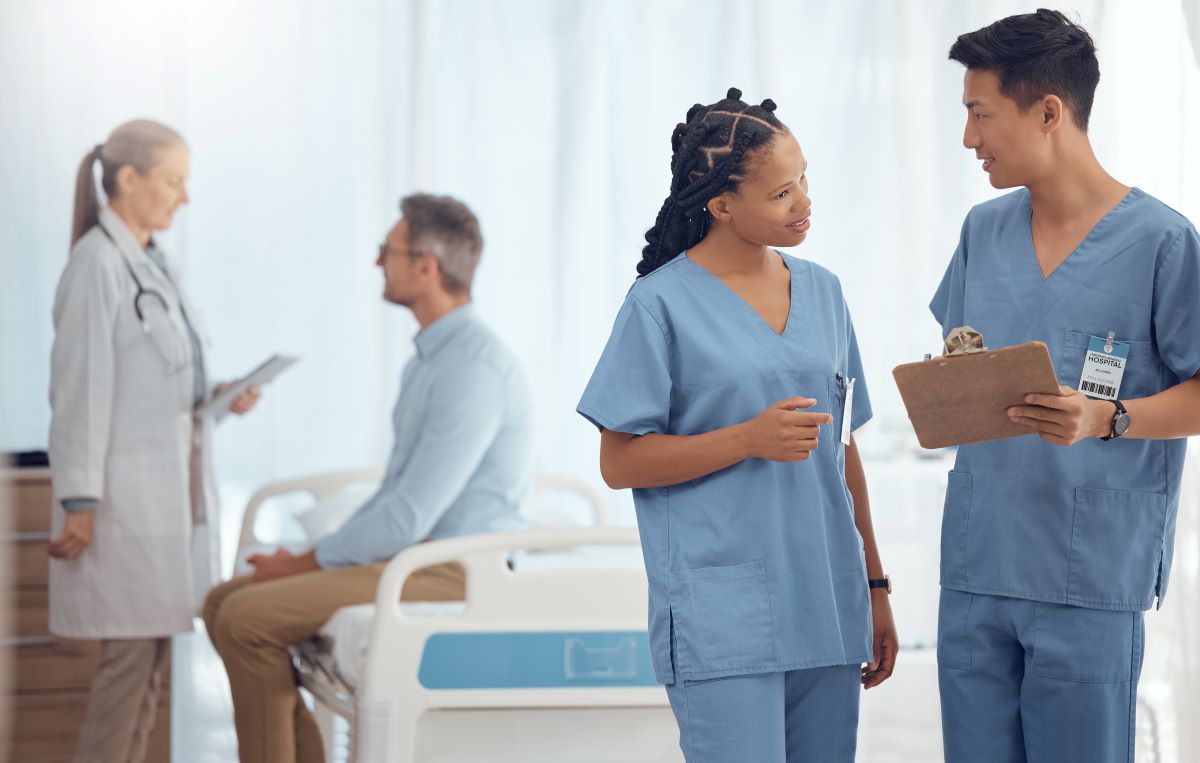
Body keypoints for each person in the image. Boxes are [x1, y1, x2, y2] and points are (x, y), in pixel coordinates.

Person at [577, 88, 898, 762]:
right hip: (723, 617)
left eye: (803, 179)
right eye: (782, 193)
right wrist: (745, 440)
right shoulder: (658, 305)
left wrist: (874, 586)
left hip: (827, 600)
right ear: (722, 205)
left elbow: (842, 450)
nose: (804, 201)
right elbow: (619, 462)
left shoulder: (825, 291)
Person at [933, 10, 1200, 762]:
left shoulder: (1162, 243)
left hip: (1088, 577)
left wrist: (1108, 417)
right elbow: (962, 362)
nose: (969, 138)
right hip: (979, 567)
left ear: (1049, 111)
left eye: (981, 114)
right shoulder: (982, 232)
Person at [203, 192, 533, 763]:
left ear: (426, 267)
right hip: (418, 558)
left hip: (456, 571)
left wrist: (300, 565)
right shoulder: (431, 361)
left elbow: (406, 516)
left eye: (388, 250)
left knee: (245, 617)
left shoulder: (473, 367)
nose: (378, 261)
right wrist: (309, 557)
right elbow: (394, 496)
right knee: (220, 602)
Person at [48, 119, 261, 763]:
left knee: (147, 680)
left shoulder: (154, 266)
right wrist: (79, 501)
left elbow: (157, 389)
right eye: (173, 181)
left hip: (159, 505)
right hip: (120, 508)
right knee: (127, 677)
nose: (184, 197)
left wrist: (217, 397)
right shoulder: (96, 264)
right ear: (128, 179)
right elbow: (80, 390)